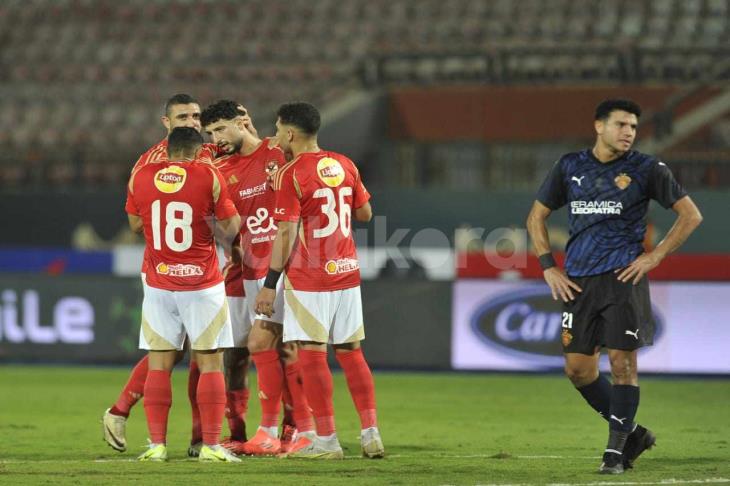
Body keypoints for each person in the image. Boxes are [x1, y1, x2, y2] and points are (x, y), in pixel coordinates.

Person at [526, 99, 703, 474]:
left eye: (634, 127)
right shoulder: (570, 166)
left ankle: (615, 454)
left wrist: (654, 257)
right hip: (577, 281)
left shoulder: (646, 168)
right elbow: (536, 217)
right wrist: (548, 267)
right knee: (578, 371)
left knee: (623, 364)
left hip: (623, 280)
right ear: (599, 126)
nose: (628, 132)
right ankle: (634, 433)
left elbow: (691, 215)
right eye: (621, 124)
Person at [102, 94, 253, 456]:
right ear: (166, 123)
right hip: (194, 268)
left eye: (196, 116)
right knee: (192, 353)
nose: (191, 121)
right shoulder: (158, 161)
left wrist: (246, 128)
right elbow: (226, 221)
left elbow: (241, 144)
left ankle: (166, 436)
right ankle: (204, 439)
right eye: (183, 116)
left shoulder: (200, 151)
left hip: (167, 269)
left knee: (174, 352)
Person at [255, 102, 384, 459]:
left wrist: (269, 284)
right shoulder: (345, 164)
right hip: (346, 271)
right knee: (351, 352)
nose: (275, 136)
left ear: (291, 133)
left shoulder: (290, 173)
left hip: (310, 277)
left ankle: (326, 440)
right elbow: (365, 213)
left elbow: (285, 234)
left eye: (278, 130)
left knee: (312, 356)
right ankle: (371, 433)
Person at [202, 100, 313, 456]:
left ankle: (293, 429)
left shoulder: (278, 152)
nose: (216, 138)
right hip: (239, 270)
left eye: (221, 129)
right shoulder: (218, 170)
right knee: (234, 353)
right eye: (210, 133)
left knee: (284, 348)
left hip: (279, 267)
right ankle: (238, 432)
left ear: (243, 121)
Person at [125, 127, 242, 462]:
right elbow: (232, 226)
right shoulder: (209, 174)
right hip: (201, 283)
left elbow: (135, 225)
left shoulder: (142, 175)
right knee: (210, 363)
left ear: (168, 150)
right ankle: (211, 446)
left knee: (160, 364)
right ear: (195, 150)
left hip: (159, 282)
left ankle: (157, 445)